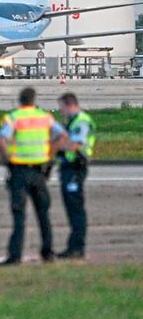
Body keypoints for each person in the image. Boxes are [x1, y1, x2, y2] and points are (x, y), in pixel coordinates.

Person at [0, 87, 66, 266]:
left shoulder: (14, 117)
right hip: (39, 171)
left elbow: (2, 140)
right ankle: (48, 252)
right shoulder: (44, 117)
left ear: (20, 100)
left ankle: (15, 256)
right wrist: (50, 157)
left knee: (19, 215)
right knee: (43, 214)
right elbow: (61, 136)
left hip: (19, 170)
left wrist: (7, 161)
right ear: (34, 100)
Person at [56, 92, 95, 260]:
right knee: (71, 208)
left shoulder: (82, 121)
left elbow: (75, 145)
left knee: (76, 208)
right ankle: (73, 246)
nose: (61, 111)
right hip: (68, 168)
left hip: (75, 168)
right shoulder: (72, 122)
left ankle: (77, 247)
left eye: (61, 107)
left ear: (68, 104)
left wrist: (58, 143)